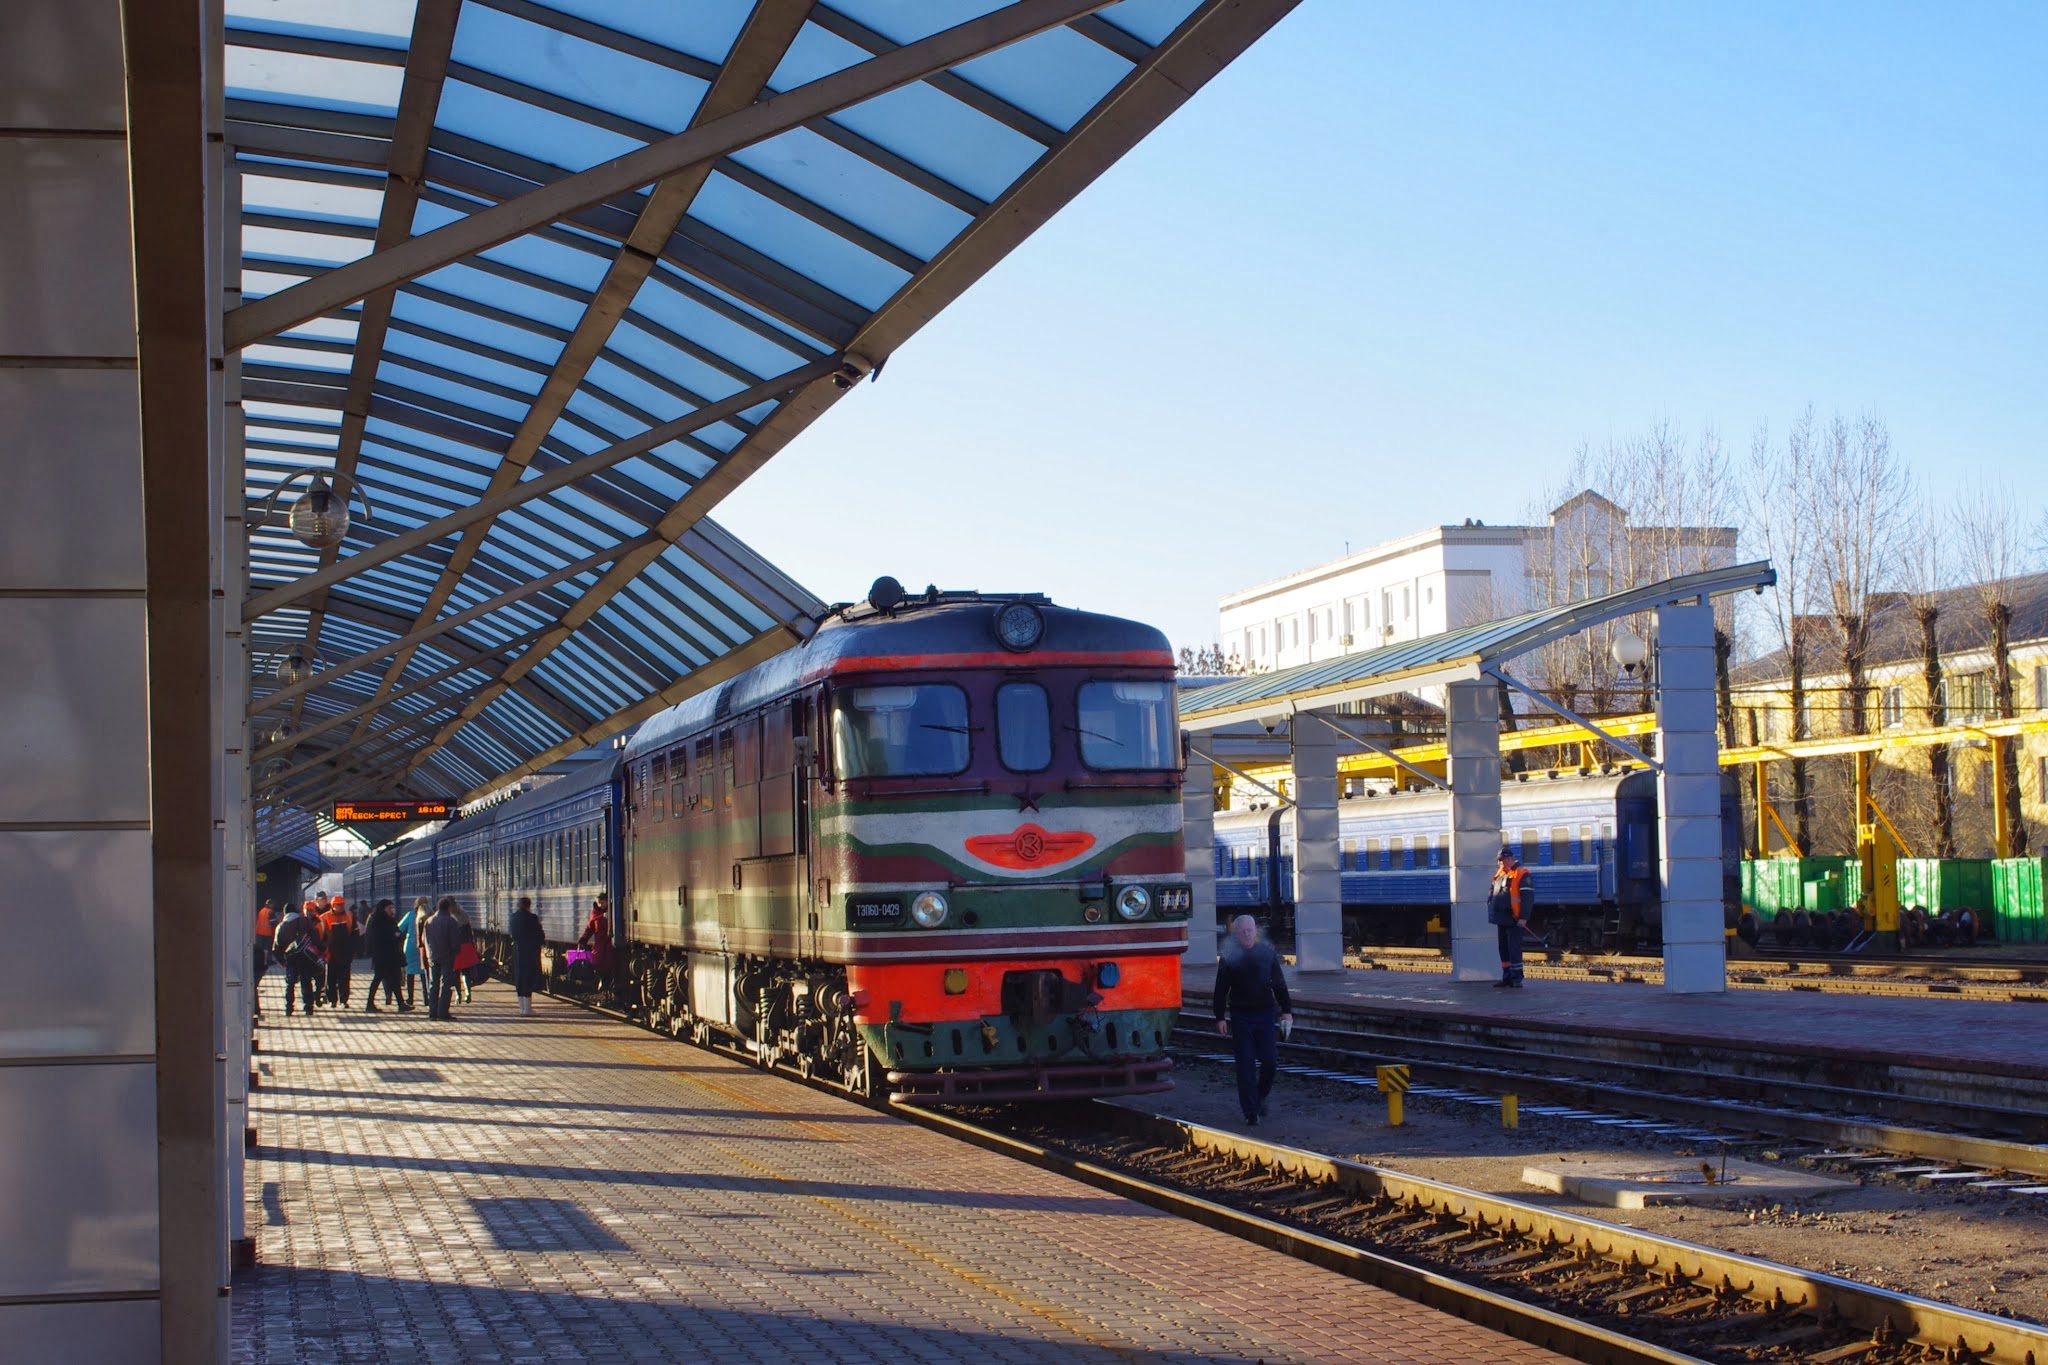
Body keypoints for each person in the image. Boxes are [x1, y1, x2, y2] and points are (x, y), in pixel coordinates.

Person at [1212, 915, 1292, 1127]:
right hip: (1240, 1016)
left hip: (1265, 1014)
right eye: (1243, 931)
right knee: (1245, 1065)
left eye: (1250, 930)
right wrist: (1220, 1017)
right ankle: (1250, 1112)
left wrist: (1287, 1011)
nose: (1247, 934)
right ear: (1236, 934)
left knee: (1270, 1061)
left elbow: (1279, 984)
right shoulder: (1229, 958)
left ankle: (1260, 1096)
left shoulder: (1267, 954)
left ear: (1255, 931)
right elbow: (1220, 990)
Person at [1489, 847, 1531, 988]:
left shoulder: (1521, 873)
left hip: (1514, 918)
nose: (1499, 864)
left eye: (1501, 861)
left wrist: (1523, 917)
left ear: (1509, 859)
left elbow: (1527, 898)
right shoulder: (1500, 874)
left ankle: (1516, 978)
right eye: (1499, 861)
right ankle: (1507, 977)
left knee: (1514, 948)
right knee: (1504, 948)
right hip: (1501, 918)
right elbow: (1492, 892)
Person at [272, 900, 322, 1017]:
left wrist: (282, 961)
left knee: (290, 983)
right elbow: (315, 937)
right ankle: (308, 1008)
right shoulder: (305, 921)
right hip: (305, 956)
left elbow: (277, 946)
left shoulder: (282, 926)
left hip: (291, 958)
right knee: (306, 981)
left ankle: (289, 1008)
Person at [422, 896, 464, 1022]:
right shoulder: (451, 921)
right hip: (447, 957)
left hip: (433, 957)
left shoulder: (428, 921)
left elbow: (424, 940)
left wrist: (429, 955)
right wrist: (455, 953)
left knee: (434, 984)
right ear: (448, 907)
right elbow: (455, 941)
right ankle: (443, 1012)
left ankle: (432, 1012)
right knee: (446, 984)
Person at [364, 898, 408, 1013]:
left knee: (394, 979)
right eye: (389, 908)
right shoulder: (377, 920)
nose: (391, 910)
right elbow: (378, 937)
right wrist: (394, 936)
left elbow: (398, 932)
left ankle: (401, 1003)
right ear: (383, 908)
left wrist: (397, 935)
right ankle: (370, 1004)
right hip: (381, 955)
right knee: (378, 978)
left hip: (390, 955)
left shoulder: (389, 919)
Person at [510, 895, 544, 1016]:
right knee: (528, 978)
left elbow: (512, 934)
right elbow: (540, 934)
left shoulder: (513, 918)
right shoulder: (533, 918)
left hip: (518, 950)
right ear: (529, 905)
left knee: (519, 977)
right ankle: (528, 1009)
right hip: (530, 951)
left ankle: (522, 1008)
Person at [321, 894, 355, 1007]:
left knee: (345, 978)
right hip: (331, 953)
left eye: (342, 904)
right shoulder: (324, 917)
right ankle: (332, 1000)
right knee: (330, 978)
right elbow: (321, 936)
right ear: (333, 905)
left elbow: (355, 933)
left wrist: (354, 950)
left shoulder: (349, 915)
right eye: (338, 905)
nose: (341, 907)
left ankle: (343, 1000)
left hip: (345, 952)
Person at [577, 894, 615, 990]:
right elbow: (589, 929)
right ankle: (603, 980)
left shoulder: (612, 912)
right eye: (599, 903)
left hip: (609, 943)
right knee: (597, 962)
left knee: (609, 962)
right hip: (599, 943)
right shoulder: (595, 914)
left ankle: (608, 983)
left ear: (607, 902)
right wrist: (583, 939)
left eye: (602, 903)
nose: (600, 905)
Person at [399, 896, 427, 1009]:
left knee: (410, 973)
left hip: (410, 946)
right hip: (423, 947)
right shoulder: (428, 915)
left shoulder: (410, 915)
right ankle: (427, 998)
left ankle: (410, 998)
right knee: (424, 974)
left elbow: (400, 928)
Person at [252, 900, 276, 1018]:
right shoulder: (270, 912)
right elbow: (273, 923)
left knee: (263, 950)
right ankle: (269, 960)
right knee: (267, 951)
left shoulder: (262, 910)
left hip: (259, 933)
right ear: (270, 904)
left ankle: (267, 959)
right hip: (267, 934)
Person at [451, 902, 478, 1005]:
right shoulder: (464, 916)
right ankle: (468, 993)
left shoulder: (450, 918)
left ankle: (458, 995)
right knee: (466, 972)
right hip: (466, 947)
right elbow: (470, 934)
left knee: (456, 972)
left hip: (455, 948)